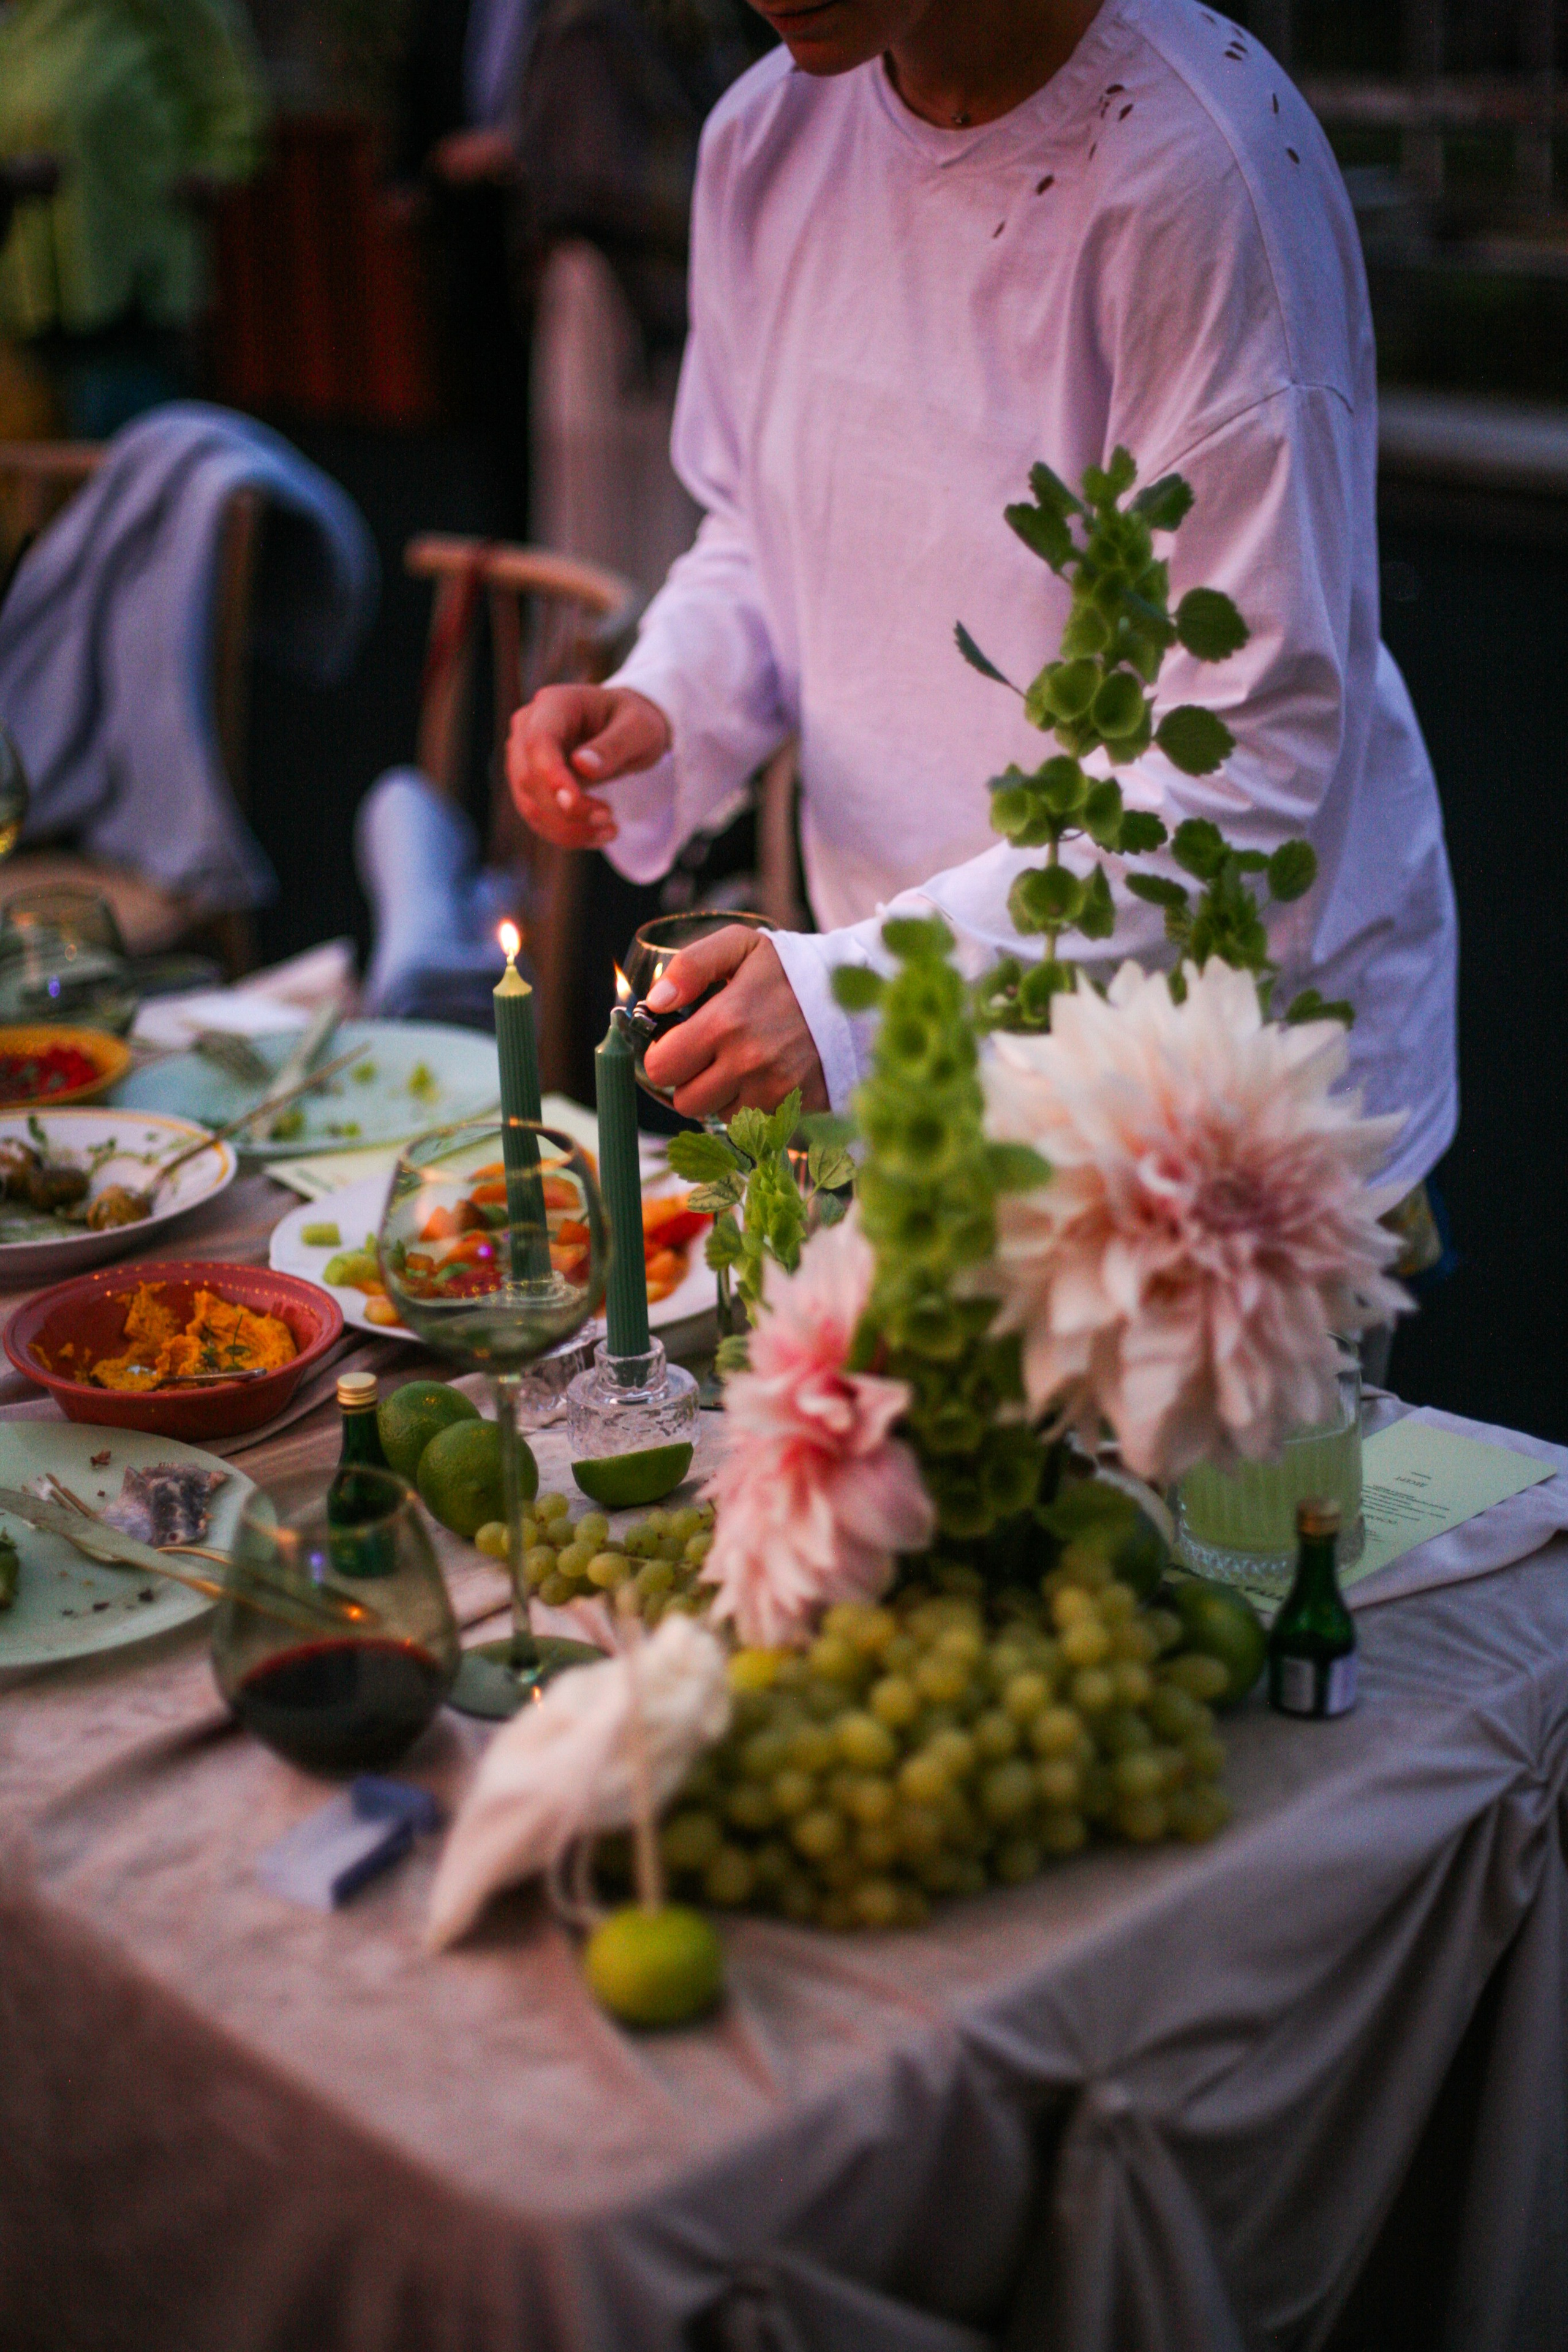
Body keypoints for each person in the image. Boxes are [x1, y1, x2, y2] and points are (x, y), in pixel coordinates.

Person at [503, 0, 1458, 1233]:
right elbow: (762, 525)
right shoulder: (763, 137)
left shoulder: (1198, 167)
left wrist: (857, 999)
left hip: (1215, 1108)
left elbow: (1245, 770)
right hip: (929, 1069)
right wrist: (665, 701)